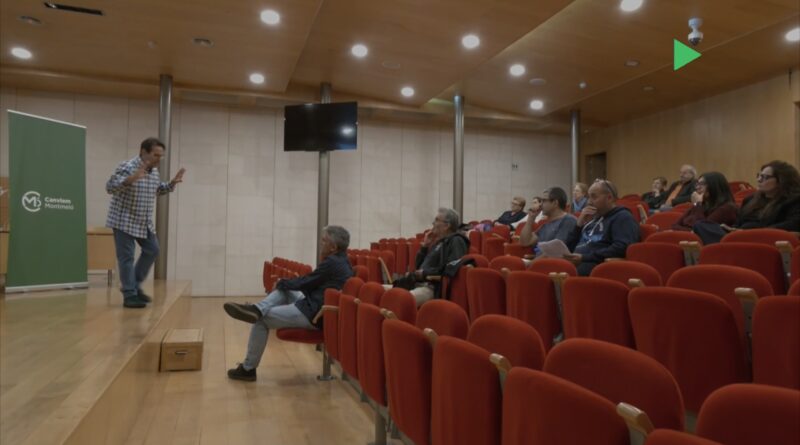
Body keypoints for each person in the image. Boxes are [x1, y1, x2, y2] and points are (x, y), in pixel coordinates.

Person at [223, 225, 353, 381]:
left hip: (313, 313)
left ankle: (248, 369)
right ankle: (257, 308)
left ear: (333, 247)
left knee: (261, 320)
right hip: (314, 304)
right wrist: (284, 284)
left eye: (324, 241)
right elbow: (311, 283)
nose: (320, 243)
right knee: (284, 290)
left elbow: (308, 281)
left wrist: (282, 282)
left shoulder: (332, 262)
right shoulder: (341, 260)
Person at [106, 137, 185, 308]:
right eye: (156, 155)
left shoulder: (153, 172)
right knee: (126, 258)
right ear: (143, 152)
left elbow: (157, 189)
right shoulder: (127, 166)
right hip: (123, 220)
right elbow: (110, 187)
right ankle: (130, 295)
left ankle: (134, 285)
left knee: (153, 250)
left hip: (143, 221)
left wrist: (171, 184)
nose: (159, 159)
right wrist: (131, 179)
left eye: (161, 156)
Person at [694, 161, 800, 244]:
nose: (759, 180)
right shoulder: (750, 199)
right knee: (701, 225)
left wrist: (748, 233)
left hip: (765, 239)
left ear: (782, 180)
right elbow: (739, 223)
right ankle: (729, 243)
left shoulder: (794, 200)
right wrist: (732, 229)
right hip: (739, 236)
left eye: (765, 177)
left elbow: (792, 225)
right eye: (759, 175)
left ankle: (728, 244)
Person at [564, 179, 640, 276]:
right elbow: (568, 247)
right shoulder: (593, 218)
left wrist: (585, 257)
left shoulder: (623, 217)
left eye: (594, 197)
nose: (589, 202)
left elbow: (621, 248)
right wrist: (578, 225)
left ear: (609, 198)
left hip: (596, 267)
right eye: (588, 197)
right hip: (575, 264)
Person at [409, 208, 469, 306]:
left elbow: (451, 269)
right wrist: (425, 246)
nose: (433, 223)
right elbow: (418, 267)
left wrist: (425, 273)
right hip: (419, 284)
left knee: (399, 300)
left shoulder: (457, 241)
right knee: (382, 292)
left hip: (433, 288)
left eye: (437, 220)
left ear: (446, 226)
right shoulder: (439, 242)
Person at [518, 187, 577, 253]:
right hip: (542, 259)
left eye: (544, 201)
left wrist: (534, 260)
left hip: (553, 259)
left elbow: (556, 250)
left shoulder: (568, 221)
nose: (540, 204)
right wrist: (531, 218)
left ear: (555, 203)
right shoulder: (546, 225)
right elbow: (525, 242)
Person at [672, 172, 737, 231]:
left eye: (702, 184)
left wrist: (698, 204)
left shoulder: (727, 208)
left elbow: (703, 228)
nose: (698, 187)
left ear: (714, 186)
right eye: (697, 184)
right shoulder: (702, 204)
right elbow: (675, 225)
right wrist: (690, 231)